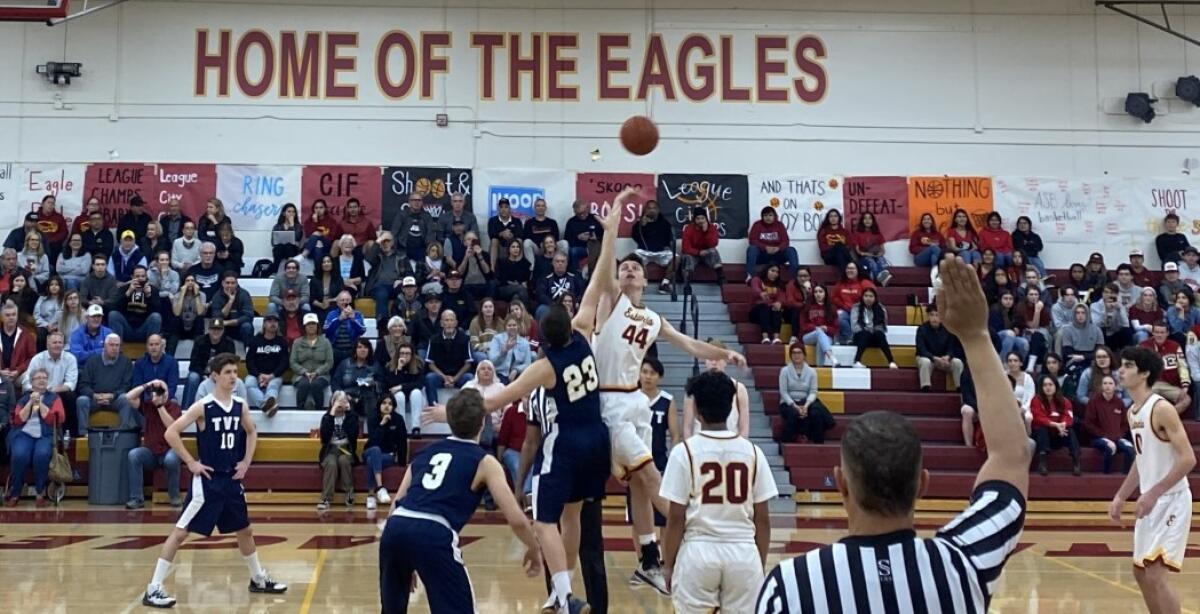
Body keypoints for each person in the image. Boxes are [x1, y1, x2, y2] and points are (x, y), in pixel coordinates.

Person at [756, 253, 1030, 612]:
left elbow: (1012, 457)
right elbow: (1013, 455)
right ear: (922, 483)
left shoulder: (790, 585)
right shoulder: (962, 564)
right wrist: (976, 336)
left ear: (840, 484)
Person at [584, 188, 747, 594]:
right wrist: (612, 229)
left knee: (640, 483)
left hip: (635, 402)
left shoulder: (653, 317)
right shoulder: (609, 304)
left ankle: (648, 559)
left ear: (646, 278)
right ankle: (699, 532)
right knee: (651, 475)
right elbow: (604, 273)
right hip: (609, 402)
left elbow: (691, 346)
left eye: (636, 269)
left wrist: (725, 353)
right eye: (626, 268)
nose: (630, 271)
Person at [139, 353, 286, 608]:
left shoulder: (240, 404)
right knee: (181, 532)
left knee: (245, 530)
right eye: (228, 372)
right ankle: (154, 588)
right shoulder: (202, 405)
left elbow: (252, 432)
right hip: (207, 481)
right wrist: (191, 462)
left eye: (235, 371)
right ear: (215, 376)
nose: (233, 376)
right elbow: (171, 432)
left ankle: (258, 579)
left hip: (230, 479)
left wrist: (246, 462)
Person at [379, 389, 540, 613]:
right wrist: (534, 548)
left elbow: (396, 503)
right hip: (433, 533)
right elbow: (516, 519)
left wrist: (408, 555)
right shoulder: (485, 461)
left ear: (450, 422)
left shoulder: (425, 452)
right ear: (482, 424)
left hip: (395, 529)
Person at [661, 370, 776, 614]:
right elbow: (763, 520)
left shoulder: (684, 453)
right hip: (744, 552)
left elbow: (675, 519)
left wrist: (668, 565)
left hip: (698, 552)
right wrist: (758, 563)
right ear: (731, 406)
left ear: (698, 412)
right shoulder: (754, 453)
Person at [1111, 346, 1196, 614]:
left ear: (1145, 373)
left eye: (1127, 366)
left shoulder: (1161, 409)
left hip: (1171, 499)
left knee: (1156, 576)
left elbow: (1188, 459)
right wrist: (1121, 495)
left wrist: (1153, 493)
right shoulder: (1133, 411)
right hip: (1152, 500)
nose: (1120, 370)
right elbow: (1141, 459)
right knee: (1141, 574)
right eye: (1121, 365)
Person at [5, 367, 64, 507]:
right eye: (38, 378)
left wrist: (41, 403)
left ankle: (40, 492)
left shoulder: (54, 398)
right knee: (19, 454)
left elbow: (56, 420)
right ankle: (15, 493)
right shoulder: (24, 398)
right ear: (32, 382)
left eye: (44, 378)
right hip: (24, 433)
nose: (42, 380)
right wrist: (31, 402)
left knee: (42, 454)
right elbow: (18, 420)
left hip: (45, 435)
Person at [124, 379, 182, 509]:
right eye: (157, 392)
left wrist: (160, 406)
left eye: (162, 391)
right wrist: (147, 385)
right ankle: (136, 498)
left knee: (172, 459)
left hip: (169, 449)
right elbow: (128, 397)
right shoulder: (148, 406)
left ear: (167, 394)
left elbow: (171, 427)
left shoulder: (175, 407)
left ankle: (174, 496)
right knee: (134, 455)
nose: (160, 394)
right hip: (151, 451)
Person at [682, 339, 750, 438]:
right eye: (710, 358)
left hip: (730, 443)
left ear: (726, 361)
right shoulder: (695, 387)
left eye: (718, 359)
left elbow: (744, 427)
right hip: (700, 445)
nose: (714, 363)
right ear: (704, 360)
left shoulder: (739, 388)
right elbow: (687, 426)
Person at [76, 333, 135, 434]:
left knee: (126, 399)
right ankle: (84, 434)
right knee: (82, 400)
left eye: (117, 345)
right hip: (95, 399)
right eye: (111, 345)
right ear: (104, 346)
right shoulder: (92, 361)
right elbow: (83, 385)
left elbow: (126, 386)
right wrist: (94, 395)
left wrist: (112, 395)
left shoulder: (126, 362)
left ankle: (124, 433)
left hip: (115, 399)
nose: (114, 348)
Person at [777, 343, 834, 443]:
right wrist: (795, 406)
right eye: (794, 353)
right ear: (790, 355)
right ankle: (785, 444)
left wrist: (806, 406)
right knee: (793, 414)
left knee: (816, 413)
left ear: (804, 355)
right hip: (789, 403)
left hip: (807, 402)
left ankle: (818, 443)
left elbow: (813, 391)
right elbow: (784, 392)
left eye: (799, 352)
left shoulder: (811, 371)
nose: (796, 355)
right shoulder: (784, 371)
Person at [316, 391, 360, 510]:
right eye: (338, 401)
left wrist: (349, 411)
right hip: (330, 449)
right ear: (332, 402)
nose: (341, 404)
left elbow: (353, 434)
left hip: (346, 449)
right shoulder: (326, 417)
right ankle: (326, 498)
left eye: (344, 401)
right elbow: (324, 438)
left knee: (344, 461)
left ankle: (349, 494)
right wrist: (332, 413)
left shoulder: (352, 417)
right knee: (331, 463)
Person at [1083, 374, 1135, 475]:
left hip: (1116, 437)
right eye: (1105, 383)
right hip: (1099, 438)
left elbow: (1125, 423)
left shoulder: (1119, 402)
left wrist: (1119, 435)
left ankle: (1125, 476)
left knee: (1130, 449)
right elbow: (1088, 423)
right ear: (1101, 386)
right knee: (1110, 448)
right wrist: (1103, 436)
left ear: (1115, 386)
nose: (1107, 386)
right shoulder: (1094, 401)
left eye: (1110, 383)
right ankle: (1106, 475)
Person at [1030, 374, 1082, 475]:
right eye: (1045, 385)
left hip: (1059, 434)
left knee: (1070, 431)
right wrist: (1055, 425)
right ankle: (1043, 462)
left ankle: (1076, 461)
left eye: (1050, 384)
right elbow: (1038, 418)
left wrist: (1062, 424)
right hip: (1043, 436)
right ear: (1041, 387)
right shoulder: (1036, 400)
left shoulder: (1065, 401)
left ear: (1056, 386)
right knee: (1042, 429)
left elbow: (1069, 416)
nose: (1048, 387)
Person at [362, 394, 406, 511]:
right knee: (375, 451)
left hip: (387, 455)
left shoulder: (398, 419)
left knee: (373, 461)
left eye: (390, 404)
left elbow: (402, 441)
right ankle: (380, 488)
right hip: (370, 450)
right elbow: (374, 441)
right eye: (384, 403)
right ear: (379, 405)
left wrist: (402, 463)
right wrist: (382, 424)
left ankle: (371, 496)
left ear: (394, 407)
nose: (387, 406)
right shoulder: (373, 417)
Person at [1139, 322, 1193, 415]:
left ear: (1167, 333)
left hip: (1170, 385)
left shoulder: (1175, 346)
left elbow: (1182, 366)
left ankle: (1166, 417)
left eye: (1162, 332)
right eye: (1157, 332)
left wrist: (1185, 385)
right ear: (1152, 332)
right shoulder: (1143, 346)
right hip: (1150, 384)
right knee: (1142, 400)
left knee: (1186, 400)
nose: (1159, 335)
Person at [182, 319, 236, 410]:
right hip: (201, 375)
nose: (216, 332)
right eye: (213, 329)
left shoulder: (229, 344)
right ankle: (186, 410)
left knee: (233, 379)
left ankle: (229, 410)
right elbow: (193, 364)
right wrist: (203, 375)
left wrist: (217, 376)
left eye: (219, 329)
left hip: (220, 376)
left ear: (223, 330)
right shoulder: (199, 341)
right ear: (209, 330)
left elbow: (230, 365)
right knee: (192, 377)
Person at [423, 310, 474, 403]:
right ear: (441, 323)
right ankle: (434, 408)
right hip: (440, 376)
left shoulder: (465, 339)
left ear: (456, 323)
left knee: (470, 377)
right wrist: (444, 377)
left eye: (451, 320)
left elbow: (468, 363)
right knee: (429, 378)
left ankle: (466, 410)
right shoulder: (433, 339)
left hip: (459, 375)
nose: (449, 323)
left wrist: (455, 378)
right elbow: (430, 363)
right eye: (446, 320)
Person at [244, 314, 288, 416]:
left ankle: (266, 405)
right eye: (269, 321)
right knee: (249, 382)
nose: (273, 324)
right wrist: (258, 375)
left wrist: (271, 376)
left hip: (275, 375)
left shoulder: (282, 342)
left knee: (273, 385)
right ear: (264, 324)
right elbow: (249, 361)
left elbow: (284, 363)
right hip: (256, 375)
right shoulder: (255, 341)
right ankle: (266, 405)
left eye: (275, 322)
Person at [291, 312, 335, 411]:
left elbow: (329, 362)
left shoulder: (325, 342)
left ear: (317, 326)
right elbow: (293, 362)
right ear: (304, 326)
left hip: (322, 375)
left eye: (313, 324)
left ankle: (319, 410)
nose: (311, 326)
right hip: (301, 375)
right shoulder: (297, 342)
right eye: (308, 324)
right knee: (303, 385)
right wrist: (304, 372)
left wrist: (317, 372)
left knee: (316, 385)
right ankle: (300, 410)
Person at [631, 199, 676, 295]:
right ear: (645, 210)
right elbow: (635, 237)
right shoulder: (640, 224)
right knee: (632, 257)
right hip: (644, 251)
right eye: (649, 208)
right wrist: (642, 226)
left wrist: (667, 246)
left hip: (660, 252)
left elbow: (669, 238)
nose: (652, 210)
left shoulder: (664, 223)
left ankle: (665, 283)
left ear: (658, 210)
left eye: (654, 208)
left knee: (677, 258)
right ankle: (641, 283)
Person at [109, 266, 163, 343]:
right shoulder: (124, 288)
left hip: (144, 329)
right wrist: (128, 293)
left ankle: (152, 348)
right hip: (127, 329)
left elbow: (158, 311)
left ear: (146, 277)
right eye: (137, 276)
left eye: (143, 276)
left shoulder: (153, 290)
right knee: (113, 314)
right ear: (132, 277)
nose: (140, 278)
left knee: (156, 317)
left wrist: (148, 296)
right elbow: (114, 307)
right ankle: (116, 347)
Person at [332, 338, 381, 424]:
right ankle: (348, 433)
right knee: (344, 401)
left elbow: (383, 383)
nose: (363, 350)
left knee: (371, 400)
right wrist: (343, 395)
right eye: (360, 347)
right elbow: (335, 382)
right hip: (348, 396)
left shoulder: (375, 365)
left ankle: (373, 434)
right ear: (355, 350)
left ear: (369, 350)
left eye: (366, 347)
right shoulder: (344, 364)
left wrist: (374, 383)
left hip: (367, 397)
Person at [916, 305, 964, 392]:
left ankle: (960, 388)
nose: (934, 318)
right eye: (932, 315)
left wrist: (948, 356)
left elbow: (952, 347)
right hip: (929, 358)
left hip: (943, 359)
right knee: (924, 361)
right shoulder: (921, 329)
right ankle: (925, 387)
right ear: (928, 316)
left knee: (957, 362)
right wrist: (934, 358)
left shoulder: (948, 329)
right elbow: (921, 350)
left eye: (937, 315)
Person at [384, 342, 426, 436]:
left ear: (412, 355)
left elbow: (419, 384)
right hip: (398, 397)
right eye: (402, 353)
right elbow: (391, 385)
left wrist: (401, 387)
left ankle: (416, 428)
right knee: (399, 395)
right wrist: (399, 368)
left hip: (415, 397)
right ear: (398, 354)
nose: (404, 356)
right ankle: (401, 428)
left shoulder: (419, 365)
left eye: (407, 353)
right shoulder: (390, 366)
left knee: (416, 392)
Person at [746, 205, 798, 280]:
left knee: (791, 250)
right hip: (762, 255)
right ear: (762, 217)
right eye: (765, 215)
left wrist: (778, 248)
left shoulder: (779, 225)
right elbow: (752, 240)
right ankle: (750, 276)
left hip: (777, 255)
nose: (768, 218)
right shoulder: (757, 225)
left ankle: (794, 278)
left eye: (770, 215)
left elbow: (785, 241)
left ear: (774, 216)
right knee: (752, 249)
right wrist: (765, 247)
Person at [850, 288, 898, 369]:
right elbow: (855, 326)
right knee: (864, 334)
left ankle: (891, 361)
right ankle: (857, 361)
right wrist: (867, 330)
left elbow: (883, 326)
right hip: (860, 336)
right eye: (866, 296)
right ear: (862, 297)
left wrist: (873, 331)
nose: (868, 298)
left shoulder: (881, 308)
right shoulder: (856, 307)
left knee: (880, 334)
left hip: (875, 336)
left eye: (871, 296)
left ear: (875, 298)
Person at [363, 231, 406, 320]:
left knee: (403, 291)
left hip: (396, 285)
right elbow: (368, 258)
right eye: (383, 241)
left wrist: (401, 279)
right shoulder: (376, 256)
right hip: (378, 287)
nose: (385, 243)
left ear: (393, 242)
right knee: (382, 293)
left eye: (388, 241)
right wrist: (379, 240)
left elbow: (409, 273)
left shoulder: (401, 256)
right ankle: (383, 323)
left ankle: (399, 322)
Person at [795, 284, 839, 367]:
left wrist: (826, 328)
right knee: (819, 333)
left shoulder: (831, 308)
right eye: (815, 292)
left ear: (825, 293)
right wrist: (815, 328)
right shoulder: (807, 306)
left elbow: (835, 328)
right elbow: (803, 325)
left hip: (827, 336)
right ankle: (832, 357)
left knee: (820, 340)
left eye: (820, 291)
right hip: (808, 336)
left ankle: (819, 367)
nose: (818, 294)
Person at [390, 193, 440, 264]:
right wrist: (393, 250)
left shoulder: (427, 217)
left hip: (421, 251)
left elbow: (430, 235)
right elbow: (394, 233)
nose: (416, 202)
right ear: (409, 202)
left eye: (419, 200)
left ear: (422, 202)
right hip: (403, 250)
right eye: (414, 200)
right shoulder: (402, 215)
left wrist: (428, 251)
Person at [832, 261, 875, 343]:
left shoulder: (865, 283)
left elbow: (871, 296)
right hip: (845, 310)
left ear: (857, 270)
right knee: (839, 317)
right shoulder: (841, 283)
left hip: (860, 310)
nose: (849, 270)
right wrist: (842, 305)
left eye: (852, 268)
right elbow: (834, 297)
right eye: (848, 268)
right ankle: (850, 338)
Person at [131, 334, 178, 405]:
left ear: (162, 346)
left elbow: (172, 388)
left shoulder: (172, 362)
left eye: (156, 344)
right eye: (151, 345)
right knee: (130, 400)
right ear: (147, 347)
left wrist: (159, 399)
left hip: (165, 399)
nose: (154, 347)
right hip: (144, 401)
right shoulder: (139, 363)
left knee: (174, 402)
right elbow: (137, 386)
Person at [680, 207, 723, 285]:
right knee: (687, 257)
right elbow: (685, 248)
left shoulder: (712, 228)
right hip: (694, 254)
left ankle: (720, 277)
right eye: (698, 218)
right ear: (694, 219)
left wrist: (706, 231)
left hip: (706, 254)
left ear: (706, 218)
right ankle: (687, 284)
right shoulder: (689, 229)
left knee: (713, 251)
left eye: (702, 218)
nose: (700, 221)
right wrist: (698, 252)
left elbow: (713, 244)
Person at [209, 271, 255, 344]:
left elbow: (249, 316)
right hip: (224, 328)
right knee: (216, 326)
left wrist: (228, 322)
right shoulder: (217, 296)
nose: (230, 285)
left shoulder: (244, 294)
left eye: (233, 283)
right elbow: (216, 317)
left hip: (239, 326)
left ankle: (248, 351)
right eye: (227, 283)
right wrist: (230, 301)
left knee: (247, 326)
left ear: (237, 283)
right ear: (223, 283)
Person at [535, 252, 583, 320]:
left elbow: (581, 292)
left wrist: (576, 302)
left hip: (571, 305)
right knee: (541, 309)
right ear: (553, 263)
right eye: (557, 261)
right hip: (552, 307)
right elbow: (541, 295)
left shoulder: (575, 277)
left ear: (567, 263)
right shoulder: (546, 278)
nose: (560, 263)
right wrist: (554, 305)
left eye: (563, 261)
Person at [323, 290, 366, 366]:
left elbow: (362, 330)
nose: (344, 302)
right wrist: (339, 319)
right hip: (335, 349)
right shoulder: (331, 314)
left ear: (350, 301)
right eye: (342, 300)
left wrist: (353, 320)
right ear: (337, 303)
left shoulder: (357, 314)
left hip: (351, 350)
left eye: (347, 300)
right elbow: (326, 330)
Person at [851, 211, 893, 286]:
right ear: (862, 221)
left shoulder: (877, 234)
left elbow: (883, 251)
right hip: (864, 258)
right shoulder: (857, 233)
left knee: (881, 260)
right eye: (865, 218)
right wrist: (868, 254)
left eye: (870, 218)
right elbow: (858, 252)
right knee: (871, 261)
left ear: (873, 221)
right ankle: (880, 277)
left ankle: (880, 277)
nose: (867, 220)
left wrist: (878, 254)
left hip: (875, 256)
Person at [563, 200, 604, 275]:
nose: (582, 215)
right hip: (579, 248)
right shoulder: (571, 222)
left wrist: (596, 237)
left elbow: (605, 235)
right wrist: (578, 237)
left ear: (587, 209)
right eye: (579, 214)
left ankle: (594, 274)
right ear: (575, 212)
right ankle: (576, 274)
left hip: (595, 246)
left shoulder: (595, 218)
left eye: (584, 212)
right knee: (573, 251)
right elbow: (566, 239)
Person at [0, 300, 36, 384]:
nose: (11, 317)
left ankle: (28, 397)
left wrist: (18, 370)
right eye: (7, 315)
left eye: (13, 314)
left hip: (19, 374)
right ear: (2, 317)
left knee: (29, 378)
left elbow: (32, 357)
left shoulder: (26, 334)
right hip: (0, 374)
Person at [488, 315, 532, 384]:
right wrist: (504, 351)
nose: (512, 327)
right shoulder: (497, 339)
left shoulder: (524, 342)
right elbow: (492, 361)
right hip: (500, 373)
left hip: (518, 374)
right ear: (505, 327)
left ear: (518, 326)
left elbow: (528, 364)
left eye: (514, 325)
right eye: (509, 325)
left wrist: (516, 369)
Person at [486, 197, 523, 268]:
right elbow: (491, 235)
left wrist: (511, 235)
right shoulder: (492, 220)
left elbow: (520, 234)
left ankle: (519, 267)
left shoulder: (517, 221)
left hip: (512, 244)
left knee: (519, 241)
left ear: (510, 209)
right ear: (498, 209)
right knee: (494, 240)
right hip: (499, 245)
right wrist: (501, 234)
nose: (503, 210)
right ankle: (493, 269)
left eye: (506, 207)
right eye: (501, 207)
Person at [468, 297, 501, 366]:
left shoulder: (500, 322)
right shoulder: (475, 322)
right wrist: (488, 349)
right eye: (485, 307)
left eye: (490, 307)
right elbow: (474, 345)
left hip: (495, 351)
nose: (488, 309)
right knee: (483, 357)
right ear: (481, 309)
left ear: (494, 309)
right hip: (479, 351)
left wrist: (493, 351)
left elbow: (502, 341)